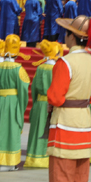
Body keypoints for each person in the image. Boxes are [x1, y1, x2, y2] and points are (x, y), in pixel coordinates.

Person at [32, 15, 91, 182]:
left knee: (61, 173)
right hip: (84, 121)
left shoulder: (65, 62)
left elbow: (55, 96)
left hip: (65, 122)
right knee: (79, 174)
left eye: (67, 33)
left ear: (72, 36)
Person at [0, 34, 30, 171]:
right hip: (12, 102)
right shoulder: (19, 69)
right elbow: (23, 92)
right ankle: (8, 162)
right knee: (10, 130)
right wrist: (20, 109)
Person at [25, 40, 61, 169]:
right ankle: (45, 159)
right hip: (51, 104)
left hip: (39, 103)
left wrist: (36, 102)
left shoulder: (40, 68)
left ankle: (33, 157)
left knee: (37, 131)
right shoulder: (57, 69)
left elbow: (34, 87)